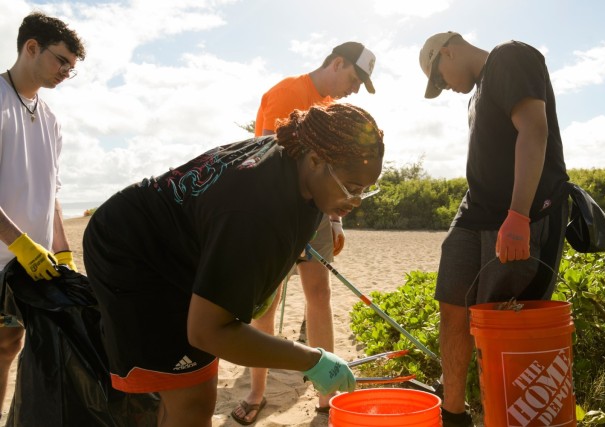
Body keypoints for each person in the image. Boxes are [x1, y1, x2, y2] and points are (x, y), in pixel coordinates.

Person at [82, 103, 385, 427]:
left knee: (191, 392)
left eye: (366, 190)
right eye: (351, 188)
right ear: (314, 160)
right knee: (192, 400)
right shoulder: (255, 210)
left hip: (182, 249)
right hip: (133, 256)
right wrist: (312, 360)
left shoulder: (300, 167)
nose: (356, 201)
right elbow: (208, 331)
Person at [418, 32, 570, 426]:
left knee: (502, 321)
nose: (444, 88)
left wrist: (518, 215)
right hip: (475, 215)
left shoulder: (510, 57)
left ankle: (502, 417)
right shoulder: (476, 94)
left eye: (440, 78)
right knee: (453, 308)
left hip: (524, 215)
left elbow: (534, 131)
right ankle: (453, 414)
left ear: (447, 52)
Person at [232, 41, 377, 424]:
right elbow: (273, 160)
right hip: (278, 213)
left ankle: (326, 396)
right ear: (337, 62)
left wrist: (334, 219)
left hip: (319, 213)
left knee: (319, 294)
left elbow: (338, 172)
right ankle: (257, 391)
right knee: (267, 303)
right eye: (354, 77)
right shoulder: (288, 93)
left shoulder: (336, 108)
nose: (355, 88)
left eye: (362, 84)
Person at [0, 11, 85, 414]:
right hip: (10, 253)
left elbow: (51, 191)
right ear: (31, 47)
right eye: (61, 60)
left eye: (72, 66)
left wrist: (62, 249)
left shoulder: (51, 120)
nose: (67, 72)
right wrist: (21, 244)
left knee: (8, 345)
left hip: (25, 266)